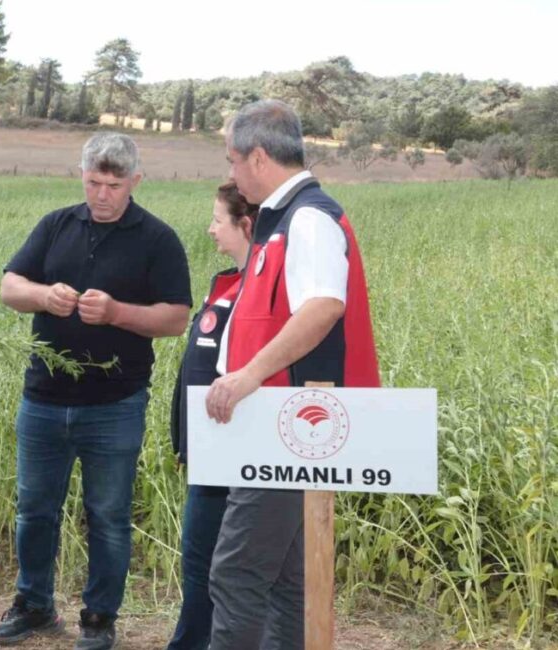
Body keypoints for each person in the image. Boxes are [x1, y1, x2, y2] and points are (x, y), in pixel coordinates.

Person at [0, 132, 191, 650]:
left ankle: (99, 618)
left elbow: (175, 319)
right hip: (42, 399)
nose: (102, 195)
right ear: (80, 176)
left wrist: (116, 313)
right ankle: (33, 604)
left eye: (114, 184)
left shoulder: (157, 239)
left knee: (107, 517)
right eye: (93, 183)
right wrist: (44, 295)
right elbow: (9, 287)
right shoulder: (56, 225)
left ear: (135, 182)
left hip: (115, 406)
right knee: (35, 509)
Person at [204, 100, 380, 649]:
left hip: (290, 428)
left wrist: (247, 375)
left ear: (259, 157)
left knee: (236, 574)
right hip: (282, 425)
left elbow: (324, 305)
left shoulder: (308, 217)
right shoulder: (283, 219)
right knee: (285, 579)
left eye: (233, 161)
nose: (229, 174)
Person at [165, 182, 257, 650]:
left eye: (218, 220)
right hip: (208, 452)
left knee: (213, 567)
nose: (210, 228)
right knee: (200, 563)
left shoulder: (260, 294)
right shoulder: (227, 283)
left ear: (246, 225)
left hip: (234, 454)